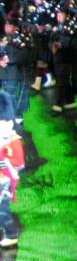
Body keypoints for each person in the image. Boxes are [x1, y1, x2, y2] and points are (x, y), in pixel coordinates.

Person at [0, 91, 24, 248]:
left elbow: (19, 162)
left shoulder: (13, 140)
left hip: (5, 180)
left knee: (2, 210)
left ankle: (11, 233)